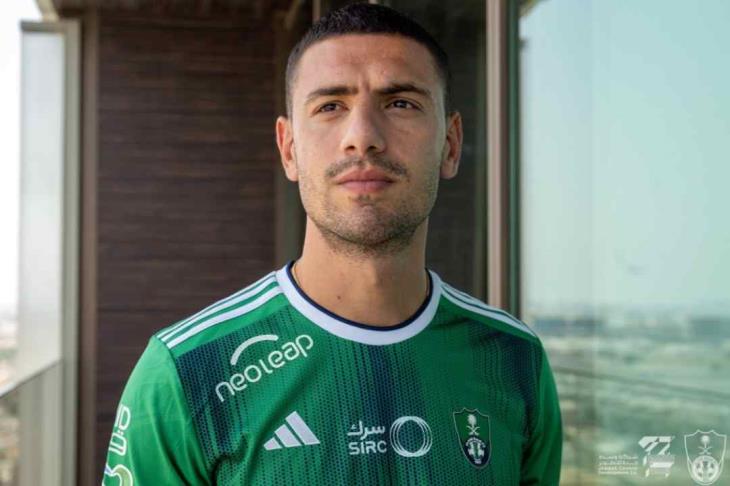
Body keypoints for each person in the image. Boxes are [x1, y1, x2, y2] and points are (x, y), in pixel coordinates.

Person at [102, 3, 562, 485]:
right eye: (330, 107)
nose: (362, 137)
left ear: (450, 144)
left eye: (400, 103)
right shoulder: (186, 374)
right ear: (289, 148)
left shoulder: (515, 361)